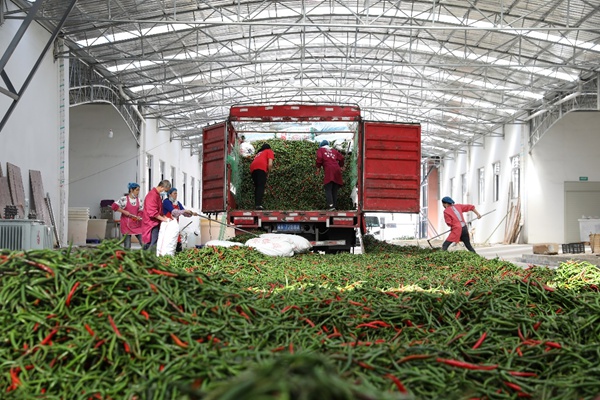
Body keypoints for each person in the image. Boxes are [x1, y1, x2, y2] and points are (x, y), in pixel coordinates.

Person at [111, 182, 144, 249]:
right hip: (126, 225)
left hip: (137, 224)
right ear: (131, 190)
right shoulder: (124, 199)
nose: (138, 192)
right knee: (127, 245)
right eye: (137, 190)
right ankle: (127, 256)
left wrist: (138, 216)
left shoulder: (139, 200)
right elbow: (114, 206)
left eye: (139, 190)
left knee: (143, 242)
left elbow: (141, 211)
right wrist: (123, 211)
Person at [142, 179, 172, 250]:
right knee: (153, 243)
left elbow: (159, 210)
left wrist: (164, 217)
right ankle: (148, 259)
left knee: (152, 243)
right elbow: (152, 213)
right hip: (151, 224)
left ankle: (147, 257)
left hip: (155, 223)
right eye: (165, 191)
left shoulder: (157, 196)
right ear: (161, 187)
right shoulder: (152, 196)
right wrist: (164, 219)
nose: (165, 193)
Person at [315, 140, 345, 211]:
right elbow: (341, 158)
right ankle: (334, 206)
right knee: (334, 189)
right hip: (336, 170)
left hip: (329, 170)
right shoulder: (333, 151)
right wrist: (341, 166)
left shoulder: (321, 150)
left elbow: (319, 159)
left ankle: (331, 206)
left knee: (328, 188)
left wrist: (318, 168)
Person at [162, 188, 194, 252]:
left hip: (175, 226)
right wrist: (185, 211)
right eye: (174, 193)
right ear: (170, 194)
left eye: (176, 193)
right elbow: (174, 212)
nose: (176, 195)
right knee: (169, 242)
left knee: (178, 242)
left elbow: (184, 213)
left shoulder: (177, 203)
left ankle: (177, 256)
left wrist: (191, 213)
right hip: (167, 225)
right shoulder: (166, 202)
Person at [249, 143, 275, 210]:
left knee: (257, 186)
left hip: (252, 168)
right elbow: (270, 164)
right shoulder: (269, 151)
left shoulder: (259, 153)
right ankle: (258, 205)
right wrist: (269, 172)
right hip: (261, 167)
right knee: (261, 186)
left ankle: (257, 204)